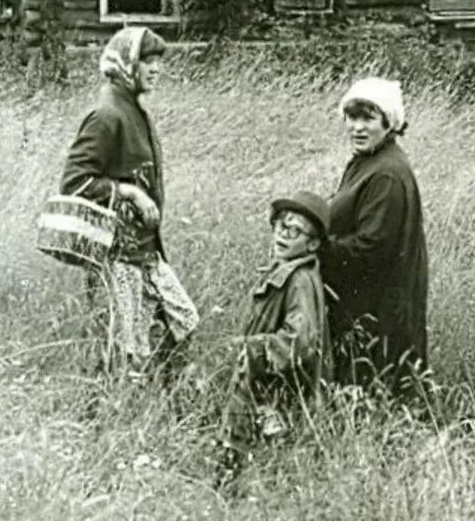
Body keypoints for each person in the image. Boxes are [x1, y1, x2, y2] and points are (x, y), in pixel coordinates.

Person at [59, 27, 198, 373]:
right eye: (146, 61)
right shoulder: (106, 116)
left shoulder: (136, 110)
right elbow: (74, 183)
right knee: (126, 350)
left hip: (146, 250)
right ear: (125, 65)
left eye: (157, 62)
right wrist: (128, 191)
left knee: (185, 320)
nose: (156, 69)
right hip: (117, 254)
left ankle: (167, 391)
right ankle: (117, 407)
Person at [321, 77, 430, 393]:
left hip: (377, 306)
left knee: (377, 386)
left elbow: (372, 248)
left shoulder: (386, 174)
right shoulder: (368, 161)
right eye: (352, 117)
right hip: (364, 303)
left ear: (389, 123)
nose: (357, 127)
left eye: (368, 118)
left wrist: (317, 248)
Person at [217, 191, 334, 483]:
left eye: (295, 231)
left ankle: (235, 491)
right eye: (281, 225)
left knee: (262, 456)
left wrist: (254, 349)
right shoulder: (283, 269)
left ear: (313, 243)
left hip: (278, 388)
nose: (283, 234)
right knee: (250, 449)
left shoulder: (300, 281)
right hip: (262, 383)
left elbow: (300, 341)